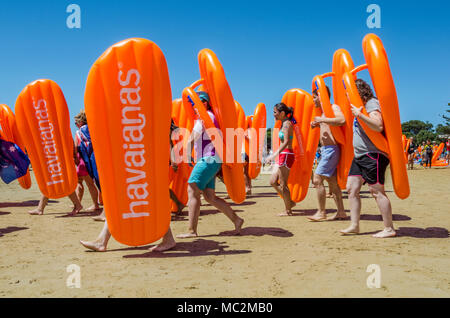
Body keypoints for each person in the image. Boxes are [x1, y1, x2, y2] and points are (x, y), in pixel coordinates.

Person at [80, 119, 182, 252]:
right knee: (123, 202)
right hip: (138, 169)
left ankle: (168, 239)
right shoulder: (145, 121)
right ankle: (102, 240)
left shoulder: (153, 121)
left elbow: (161, 145)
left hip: (144, 170)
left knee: (149, 204)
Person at [176, 91, 244, 238]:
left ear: (204, 103)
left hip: (208, 159)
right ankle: (237, 220)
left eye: (196, 103)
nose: (194, 106)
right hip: (213, 159)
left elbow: (191, 139)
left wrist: (187, 157)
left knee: (192, 189)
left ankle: (191, 231)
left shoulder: (204, 118)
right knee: (209, 196)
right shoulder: (211, 118)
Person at [340, 79, 395, 238]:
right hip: (360, 156)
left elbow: (378, 125)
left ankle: (389, 228)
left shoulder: (371, 103)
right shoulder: (361, 106)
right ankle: (354, 225)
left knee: (376, 191)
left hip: (373, 154)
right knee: (351, 189)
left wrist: (359, 115)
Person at [307, 86, 347, 221]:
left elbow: (342, 120)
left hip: (331, 149)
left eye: (314, 97)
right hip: (326, 150)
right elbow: (330, 125)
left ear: (321, 95)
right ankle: (341, 211)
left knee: (317, 180)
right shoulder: (325, 112)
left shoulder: (333, 107)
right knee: (332, 183)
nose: (313, 100)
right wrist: (318, 124)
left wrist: (322, 120)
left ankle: (321, 212)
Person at [265, 103, 297, 216]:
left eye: (275, 112)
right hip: (283, 155)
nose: (273, 114)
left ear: (282, 113)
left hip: (286, 154)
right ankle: (290, 203)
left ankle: (288, 210)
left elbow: (287, 141)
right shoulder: (283, 123)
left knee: (283, 184)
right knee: (273, 182)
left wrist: (273, 155)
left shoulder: (287, 124)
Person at [73, 111, 102, 214]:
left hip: (83, 162)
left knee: (87, 183)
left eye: (76, 123)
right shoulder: (92, 129)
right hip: (93, 159)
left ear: (80, 122)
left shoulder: (79, 132)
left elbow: (76, 147)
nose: (75, 125)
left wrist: (75, 159)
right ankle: (78, 203)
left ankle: (94, 205)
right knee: (85, 182)